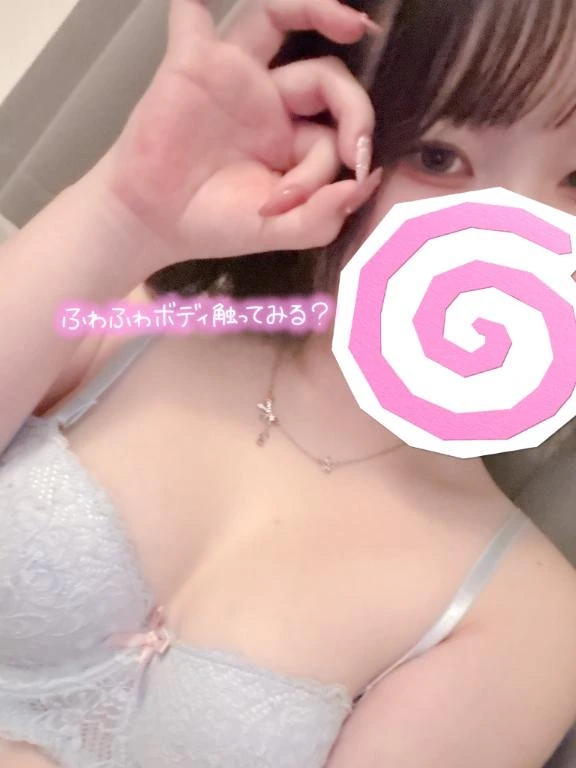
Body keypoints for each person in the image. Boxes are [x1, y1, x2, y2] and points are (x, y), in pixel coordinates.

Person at [0, 0, 575, 765]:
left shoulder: (523, 616)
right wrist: (125, 210)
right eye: (439, 156)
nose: (516, 230)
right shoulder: (111, 321)